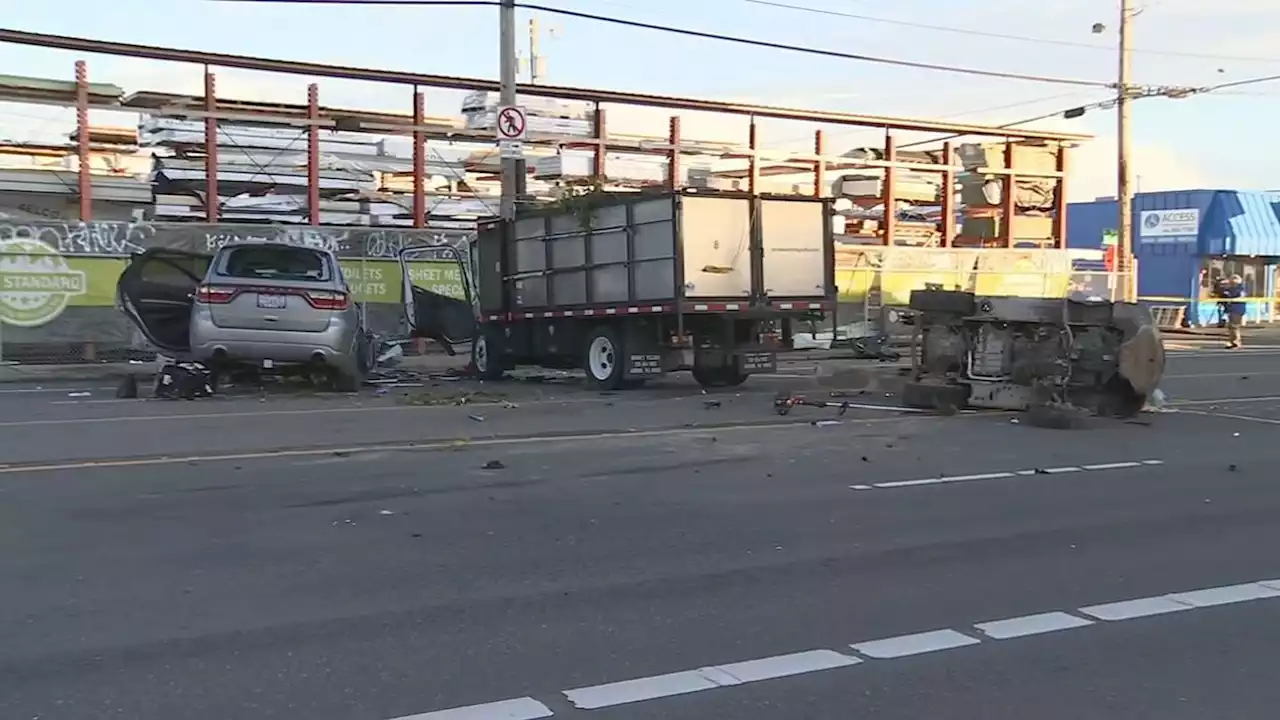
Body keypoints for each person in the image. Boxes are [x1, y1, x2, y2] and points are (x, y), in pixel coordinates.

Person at [1220, 274, 1247, 349]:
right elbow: (1224, 296)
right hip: (1230, 309)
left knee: (1234, 326)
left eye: (1233, 281)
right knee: (1231, 327)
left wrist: (1231, 299)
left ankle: (1236, 342)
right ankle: (1232, 341)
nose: (1231, 282)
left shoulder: (1240, 289)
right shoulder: (1229, 289)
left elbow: (1241, 297)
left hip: (1237, 309)